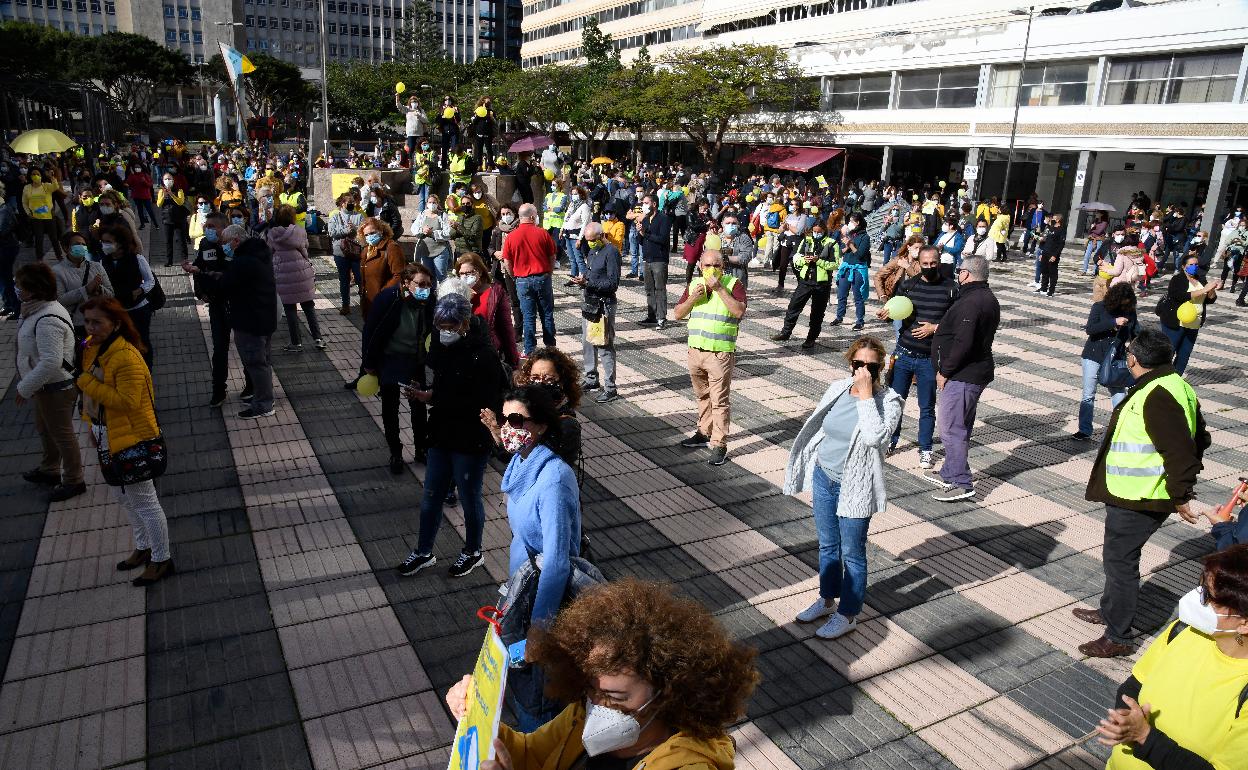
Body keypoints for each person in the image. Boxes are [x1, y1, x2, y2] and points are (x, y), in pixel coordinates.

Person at [444, 578, 758, 763]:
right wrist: (482, 723)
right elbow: (533, 755)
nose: (598, 705)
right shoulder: (582, 714)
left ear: (667, 693)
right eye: (591, 688)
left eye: (614, 695)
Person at [1076, 328, 1210, 658]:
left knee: (1120, 564)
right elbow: (1201, 437)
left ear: (1133, 359)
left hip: (1139, 496)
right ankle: (1109, 612)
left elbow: (1179, 450)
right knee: (1116, 559)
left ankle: (1118, 635)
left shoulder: (1158, 394)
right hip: (1137, 493)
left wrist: (1180, 495)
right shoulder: (1175, 385)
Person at [784, 337, 902, 640]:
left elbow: (877, 437)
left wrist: (865, 397)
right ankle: (826, 599)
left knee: (852, 553)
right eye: (858, 364)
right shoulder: (837, 388)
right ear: (850, 362)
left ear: (879, 369)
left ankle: (848, 614)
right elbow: (821, 426)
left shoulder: (889, 401)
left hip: (855, 487)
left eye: (871, 366)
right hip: (825, 477)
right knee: (827, 546)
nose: (863, 371)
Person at [1096, 545, 1248, 767]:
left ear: (1244, 622)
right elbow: (1133, 685)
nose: (1197, 598)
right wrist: (1126, 720)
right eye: (1201, 586)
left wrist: (1143, 737)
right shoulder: (1183, 630)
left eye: (1208, 595)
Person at [396, 290, 502, 579]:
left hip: (470, 437)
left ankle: (473, 551)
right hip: (442, 432)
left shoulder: (484, 354)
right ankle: (423, 551)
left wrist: (492, 427)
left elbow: (493, 400)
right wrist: (425, 396)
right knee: (431, 495)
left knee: (469, 497)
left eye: (450, 327)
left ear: (465, 323)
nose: (444, 332)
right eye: (440, 327)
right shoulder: (441, 348)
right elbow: (442, 390)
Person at [927, 256, 1000, 502]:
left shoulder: (972, 301)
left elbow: (963, 342)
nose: (957, 275)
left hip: (963, 375)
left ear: (966, 274)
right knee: (961, 425)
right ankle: (950, 471)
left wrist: (945, 371)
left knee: (951, 428)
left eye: (959, 271)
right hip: (973, 372)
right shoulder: (985, 297)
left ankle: (961, 481)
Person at [879, 246, 959, 466]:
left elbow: (958, 322)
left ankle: (925, 448)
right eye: (925, 264)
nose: (930, 267)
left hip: (929, 359)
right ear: (920, 263)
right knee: (895, 403)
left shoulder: (951, 288)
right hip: (904, 354)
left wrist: (935, 328)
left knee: (927, 406)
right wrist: (885, 314)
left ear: (939, 261)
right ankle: (890, 441)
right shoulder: (908, 286)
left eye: (934, 263)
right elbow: (896, 311)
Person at [15, 263, 85, 503]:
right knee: (46, 429)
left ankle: (75, 480)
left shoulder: (47, 318)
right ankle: (50, 469)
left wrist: (24, 388)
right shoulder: (34, 310)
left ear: (34, 290)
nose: (17, 289)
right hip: (44, 387)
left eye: (20, 286)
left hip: (56, 387)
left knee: (63, 434)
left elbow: (51, 362)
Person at [674, 249, 746, 467]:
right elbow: (677, 313)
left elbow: (739, 312)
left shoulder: (734, 284)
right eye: (707, 265)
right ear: (699, 266)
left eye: (716, 265)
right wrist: (693, 298)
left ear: (723, 266)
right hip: (695, 351)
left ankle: (719, 444)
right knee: (702, 396)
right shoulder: (695, 284)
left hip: (719, 353)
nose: (711, 269)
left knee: (719, 401)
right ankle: (703, 432)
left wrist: (719, 289)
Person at [363, 264, 435, 472]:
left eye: (429, 284)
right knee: (390, 406)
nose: (425, 288)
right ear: (406, 283)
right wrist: (368, 363)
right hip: (391, 358)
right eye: (420, 284)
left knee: (418, 406)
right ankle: (395, 452)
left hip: (416, 359)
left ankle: (422, 449)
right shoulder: (388, 298)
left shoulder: (429, 300)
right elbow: (371, 331)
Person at [180, 212, 250, 407]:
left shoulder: (236, 246)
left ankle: (251, 384)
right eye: (206, 226)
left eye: (212, 226)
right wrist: (200, 290)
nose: (207, 229)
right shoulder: (205, 245)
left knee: (245, 345)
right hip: (217, 305)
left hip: (237, 304)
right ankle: (218, 389)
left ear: (223, 228)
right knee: (219, 348)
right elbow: (198, 268)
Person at [218, 224, 277, 419]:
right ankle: (265, 397)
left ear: (236, 241)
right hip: (263, 317)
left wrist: (206, 277)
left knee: (256, 363)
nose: (224, 247)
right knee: (263, 362)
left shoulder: (243, 261)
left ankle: (263, 405)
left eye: (226, 243)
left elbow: (225, 286)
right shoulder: (258, 254)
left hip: (250, 320)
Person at [1076, 283, 1138, 442]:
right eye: (1123, 302)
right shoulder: (1099, 307)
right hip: (1093, 355)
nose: (1125, 305)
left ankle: (1120, 429)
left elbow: (1135, 334)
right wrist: (1113, 323)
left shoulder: (1130, 312)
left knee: (1118, 393)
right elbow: (1090, 329)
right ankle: (1084, 430)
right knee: (1088, 394)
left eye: (1128, 302)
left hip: (1115, 358)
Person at [572, 222, 620, 403]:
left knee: (604, 346)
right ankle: (591, 379)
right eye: (587, 240)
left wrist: (589, 284)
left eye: (592, 240)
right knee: (587, 343)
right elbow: (593, 274)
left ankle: (610, 388)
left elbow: (613, 284)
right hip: (589, 303)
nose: (589, 243)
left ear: (601, 236)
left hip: (604, 305)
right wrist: (582, 279)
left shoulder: (612, 252)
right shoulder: (592, 251)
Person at [772, 223, 840, 350]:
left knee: (817, 313)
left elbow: (835, 264)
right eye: (814, 231)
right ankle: (785, 332)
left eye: (819, 232)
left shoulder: (831, 243)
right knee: (793, 306)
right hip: (805, 281)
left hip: (822, 284)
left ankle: (811, 338)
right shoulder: (807, 240)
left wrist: (818, 261)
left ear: (824, 231)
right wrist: (805, 260)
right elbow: (796, 258)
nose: (816, 234)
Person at [502, 204, 558, 357]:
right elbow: (552, 256)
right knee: (546, 313)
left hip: (522, 280)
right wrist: (549, 272)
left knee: (528, 316)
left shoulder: (511, 236)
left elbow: (507, 260)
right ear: (533, 217)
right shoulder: (543, 233)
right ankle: (550, 347)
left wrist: (515, 276)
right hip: (542, 277)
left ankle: (529, 349)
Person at [97, 226, 157, 368]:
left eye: (108, 242)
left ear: (120, 243)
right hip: (116, 310)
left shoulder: (137, 258)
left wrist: (140, 290)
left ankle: (146, 371)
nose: (104, 245)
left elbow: (150, 280)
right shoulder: (102, 262)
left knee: (141, 342)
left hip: (138, 309)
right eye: (102, 241)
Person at [267, 205, 323, 352]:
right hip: (301, 272)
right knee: (309, 307)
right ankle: (318, 339)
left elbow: (269, 252)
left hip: (282, 274)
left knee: (290, 310)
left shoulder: (272, 234)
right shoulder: (299, 231)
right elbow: (305, 248)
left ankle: (296, 343)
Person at [1157, 253, 1219, 375]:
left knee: (1185, 354)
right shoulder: (1177, 279)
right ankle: (1160, 376)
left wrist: (1212, 289)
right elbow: (1179, 296)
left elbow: (1209, 299)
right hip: (1176, 322)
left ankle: (1176, 379)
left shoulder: (1200, 278)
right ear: (1184, 266)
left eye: (1196, 264)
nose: (1194, 267)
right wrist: (1204, 290)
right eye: (1191, 264)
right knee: (1169, 351)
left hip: (1194, 323)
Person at [454, 252, 518, 369]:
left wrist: (513, 362)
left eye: (469, 273)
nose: (465, 277)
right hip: (462, 353)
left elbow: (506, 328)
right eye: (461, 274)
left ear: (480, 271)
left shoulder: (495, 292)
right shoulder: (455, 293)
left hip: (489, 353)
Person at [53, 231, 113, 337]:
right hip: (75, 324)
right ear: (66, 248)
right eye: (76, 244)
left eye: (83, 245)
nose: (81, 247)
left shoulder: (97, 267)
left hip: (99, 322)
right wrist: (86, 290)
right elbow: (59, 299)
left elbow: (111, 294)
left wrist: (99, 289)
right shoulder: (57, 271)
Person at [829, 213, 871, 331]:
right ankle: (839, 316)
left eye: (851, 222)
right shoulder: (848, 235)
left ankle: (860, 321)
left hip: (858, 268)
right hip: (846, 267)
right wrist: (846, 246)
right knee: (841, 294)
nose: (849, 224)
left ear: (857, 223)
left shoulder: (865, 237)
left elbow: (860, 255)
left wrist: (851, 244)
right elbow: (841, 253)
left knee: (858, 296)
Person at [637, 193, 673, 330]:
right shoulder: (645, 219)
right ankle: (651, 315)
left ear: (654, 204)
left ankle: (661, 317)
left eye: (646, 203)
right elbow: (641, 241)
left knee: (660, 289)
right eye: (643, 203)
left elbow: (662, 239)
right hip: (647, 259)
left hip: (659, 259)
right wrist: (639, 233)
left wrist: (645, 234)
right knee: (649, 289)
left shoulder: (664, 219)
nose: (644, 206)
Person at [359, 217, 407, 319]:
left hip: (384, 300)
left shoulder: (391, 247)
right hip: (368, 301)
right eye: (366, 235)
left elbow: (399, 274)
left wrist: (384, 293)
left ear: (381, 231)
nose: (369, 237)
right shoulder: (367, 249)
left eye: (372, 233)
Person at [328, 193, 364, 315]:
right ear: (342, 203)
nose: (351, 205)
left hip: (356, 252)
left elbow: (364, 232)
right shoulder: (335, 216)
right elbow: (331, 232)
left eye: (353, 202)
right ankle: (345, 305)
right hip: (340, 252)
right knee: (344, 279)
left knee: (360, 278)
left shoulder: (359, 216)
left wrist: (355, 228)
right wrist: (345, 230)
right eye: (349, 203)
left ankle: (364, 302)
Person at [22, 167, 63, 259]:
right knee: (39, 238)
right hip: (36, 217)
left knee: (54, 238)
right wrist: (28, 213)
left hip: (48, 216)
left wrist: (52, 177)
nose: (35, 176)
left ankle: (59, 255)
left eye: (37, 174)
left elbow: (56, 186)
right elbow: (24, 202)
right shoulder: (27, 187)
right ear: (30, 176)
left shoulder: (46, 186)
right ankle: (39, 257)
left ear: (41, 176)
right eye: (33, 174)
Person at [156, 171, 189, 266]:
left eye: (169, 178)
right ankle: (169, 260)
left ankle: (184, 259)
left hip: (179, 218)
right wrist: (164, 195)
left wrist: (171, 194)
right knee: (168, 241)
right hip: (167, 219)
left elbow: (180, 202)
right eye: (165, 179)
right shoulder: (162, 191)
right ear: (163, 181)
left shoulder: (179, 190)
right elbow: (158, 204)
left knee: (181, 240)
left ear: (173, 180)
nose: (167, 180)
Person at [561, 187, 592, 284]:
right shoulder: (571, 205)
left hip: (576, 236)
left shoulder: (584, 207)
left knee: (579, 258)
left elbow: (585, 224)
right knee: (572, 258)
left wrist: (580, 239)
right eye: (572, 194)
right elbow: (566, 218)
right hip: (568, 234)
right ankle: (574, 277)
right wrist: (562, 229)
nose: (574, 196)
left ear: (581, 195)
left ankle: (584, 279)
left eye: (576, 194)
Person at [1038, 213, 1066, 296]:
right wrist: (1042, 253)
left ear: (1058, 220)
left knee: (1052, 273)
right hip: (1045, 252)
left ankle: (1051, 290)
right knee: (1044, 271)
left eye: (1053, 218)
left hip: (1053, 254)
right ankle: (1043, 288)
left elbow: (1061, 244)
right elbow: (1047, 241)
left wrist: (1055, 255)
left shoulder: (1061, 230)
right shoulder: (1051, 228)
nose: (1051, 220)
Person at [124, 163, 156, 229]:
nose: (137, 169)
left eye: (138, 167)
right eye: (135, 167)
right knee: (140, 211)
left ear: (141, 168)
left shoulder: (145, 175)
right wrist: (130, 185)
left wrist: (144, 182)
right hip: (137, 196)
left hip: (146, 196)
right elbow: (127, 183)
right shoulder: (132, 175)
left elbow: (150, 184)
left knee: (149, 210)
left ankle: (155, 223)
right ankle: (142, 224)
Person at [398, 92, 429, 159]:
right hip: (411, 133)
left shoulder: (421, 110)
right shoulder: (407, 109)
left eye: (415, 101)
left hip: (419, 133)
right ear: (410, 102)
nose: (414, 103)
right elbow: (399, 106)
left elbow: (426, 120)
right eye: (412, 101)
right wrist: (397, 98)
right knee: (411, 148)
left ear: (418, 102)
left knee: (419, 149)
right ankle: (411, 164)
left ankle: (420, 162)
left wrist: (419, 116)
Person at [469, 96, 495, 168]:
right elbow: (473, 121)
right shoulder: (477, 110)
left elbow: (494, 122)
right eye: (487, 99)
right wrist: (477, 115)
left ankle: (490, 165)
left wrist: (491, 118)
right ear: (483, 101)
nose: (488, 101)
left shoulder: (490, 111)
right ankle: (479, 165)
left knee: (489, 150)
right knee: (479, 150)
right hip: (479, 133)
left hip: (488, 133)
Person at [436, 96, 461, 168]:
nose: (448, 101)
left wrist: (456, 113)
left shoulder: (455, 108)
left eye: (449, 99)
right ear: (444, 101)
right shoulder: (441, 109)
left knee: (454, 148)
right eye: (446, 99)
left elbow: (458, 120)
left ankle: (454, 164)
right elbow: (437, 121)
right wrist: (442, 115)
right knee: (444, 149)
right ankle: (444, 165)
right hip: (445, 131)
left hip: (454, 131)